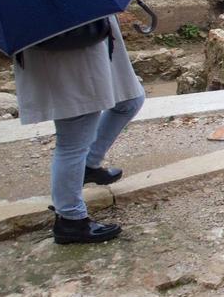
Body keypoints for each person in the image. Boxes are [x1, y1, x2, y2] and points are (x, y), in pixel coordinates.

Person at [14, 15, 145, 244]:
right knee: (73, 138)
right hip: (69, 49)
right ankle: (70, 218)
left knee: (130, 100)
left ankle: (87, 166)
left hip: (96, 40)